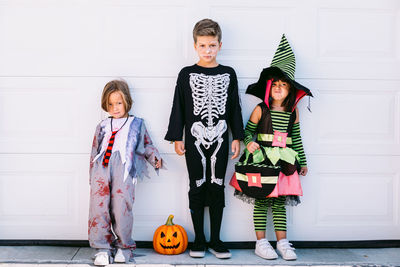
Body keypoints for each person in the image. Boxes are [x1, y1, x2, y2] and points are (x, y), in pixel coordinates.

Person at [165, 18, 244, 259]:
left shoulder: (228, 73)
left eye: (211, 45)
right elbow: (178, 106)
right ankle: (199, 239)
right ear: (194, 45)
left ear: (220, 45)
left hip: (221, 136)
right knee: (196, 184)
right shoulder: (186, 73)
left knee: (217, 184)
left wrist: (237, 136)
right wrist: (176, 136)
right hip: (194, 137)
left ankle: (216, 240)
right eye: (202, 46)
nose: (207, 50)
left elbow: (234, 107)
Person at [230, 34, 312, 261]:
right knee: (261, 199)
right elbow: (247, 132)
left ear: (290, 90)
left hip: (284, 162)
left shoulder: (292, 112)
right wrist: (249, 142)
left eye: (283, 84)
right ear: (268, 87)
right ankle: (261, 242)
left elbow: (296, 138)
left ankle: (282, 243)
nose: (278, 87)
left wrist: (302, 162)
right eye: (274, 84)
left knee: (279, 203)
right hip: (262, 160)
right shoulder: (260, 109)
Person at [88, 80, 162, 265]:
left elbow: (146, 145)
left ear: (127, 101)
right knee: (99, 208)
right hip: (102, 169)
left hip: (124, 169)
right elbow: (94, 149)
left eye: (119, 103)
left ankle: (124, 247)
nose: (115, 108)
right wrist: (92, 174)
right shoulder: (103, 125)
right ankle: (102, 249)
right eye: (110, 104)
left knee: (121, 208)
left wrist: (155, 159)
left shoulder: (136, 124)